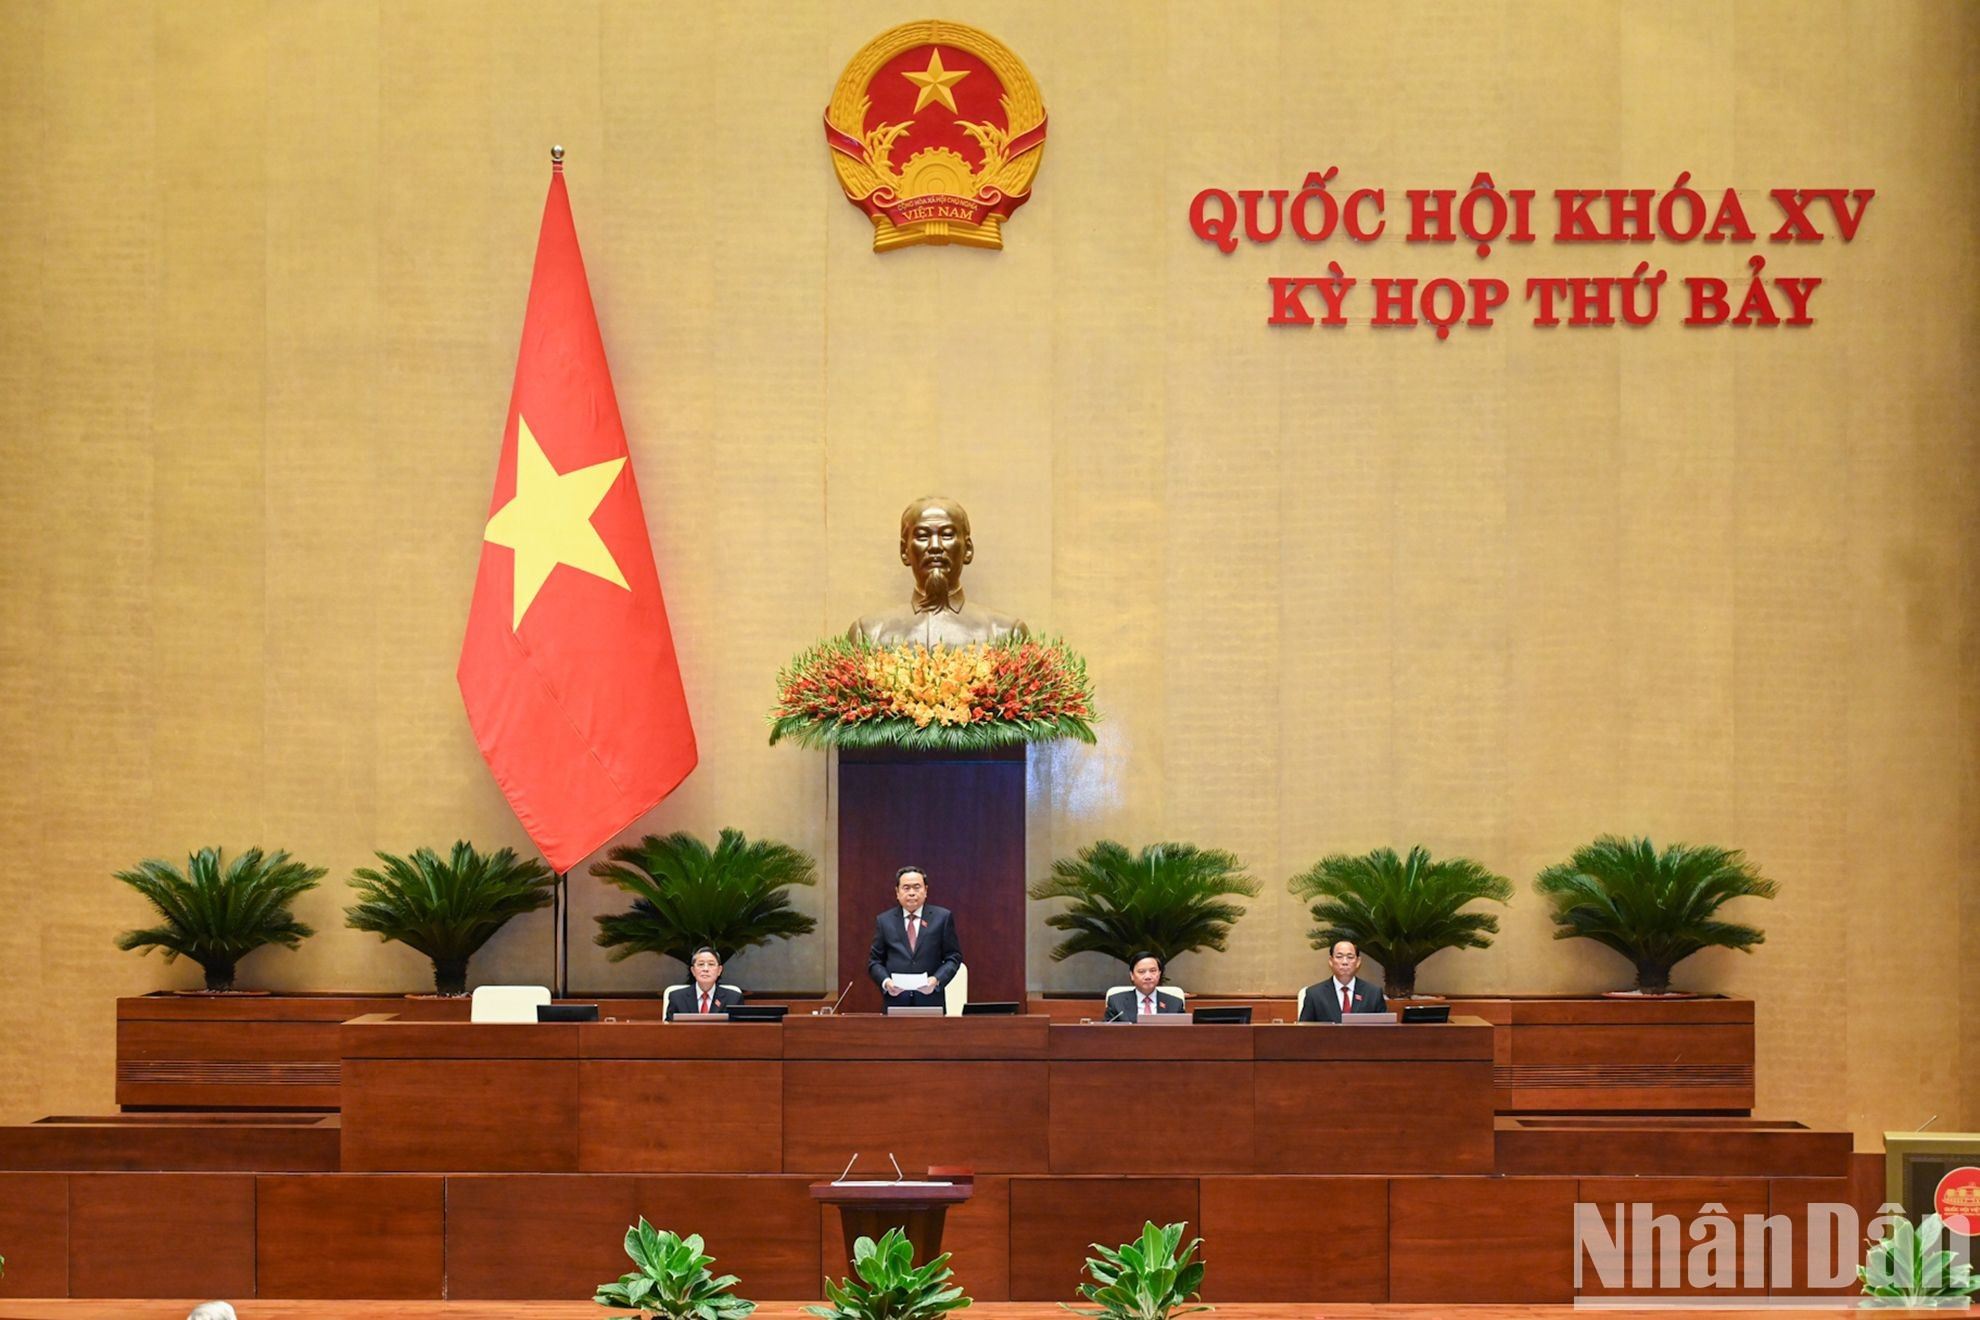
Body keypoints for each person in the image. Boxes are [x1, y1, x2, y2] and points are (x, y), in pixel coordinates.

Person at [847, 496, 1028, 647]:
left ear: (968, 549)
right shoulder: (870, 634)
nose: (935, 546)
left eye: (947, 534)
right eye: (923, 536)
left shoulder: (1005, 633)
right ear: (904, 551)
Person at [868, 866, 962, 1008]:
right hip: (896, 1001)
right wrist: (886, 982)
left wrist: (936, 980)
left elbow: (953, 957)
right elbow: (874, 962)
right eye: (906, 888)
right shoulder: (884, 921)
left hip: (931, 1000)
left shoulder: (942, 918)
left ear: (925, 890)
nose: (912, 893)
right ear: (897, 892)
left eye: (917, 887)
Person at [1297, 939, 1389, 1022]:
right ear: (1330, 961)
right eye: (1339, 956)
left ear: (1358, 962)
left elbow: (1384, 1032)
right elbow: (1303, 1032)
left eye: (1350, 957)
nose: (1345, 962)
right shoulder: (1314, 994)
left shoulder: (1373, 993)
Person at [664, 947, 744, 1021]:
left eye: (711, 964)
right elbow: (668, 1030)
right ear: (693, 971)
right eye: (701, 964)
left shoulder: (734, 998)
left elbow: (739, 1030)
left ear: (719, 970)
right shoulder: (677, 997)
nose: (705, 969)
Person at [1104, 951, 1186, 1021]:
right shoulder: (1116, 1002)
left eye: (1153, 971)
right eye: (1141, 971)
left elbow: (1183, 1034)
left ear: (1159, 973)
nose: (1148, 976)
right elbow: (1106, 1033)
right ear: (1132, 975)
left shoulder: (1175, 1003)